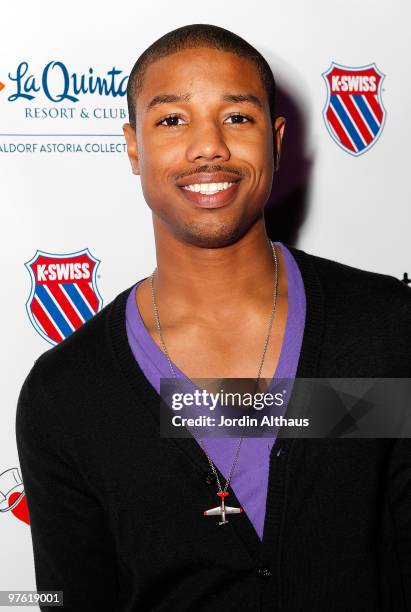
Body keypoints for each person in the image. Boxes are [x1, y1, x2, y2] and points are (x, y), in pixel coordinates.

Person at [16, 23, 411, 612]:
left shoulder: (386, 332)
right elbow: (69, 599)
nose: (209, 147)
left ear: (277, 140)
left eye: (238, 117)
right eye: (172, 120)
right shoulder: (67, 392)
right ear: (132, 146)